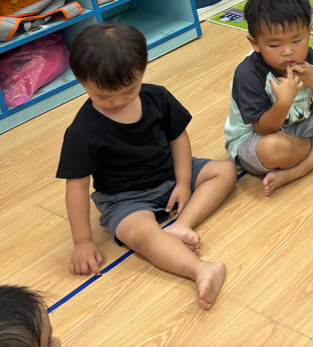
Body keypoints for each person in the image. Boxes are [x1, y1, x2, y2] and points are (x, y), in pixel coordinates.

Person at [57, 24, 236, 309]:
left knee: (225, 170)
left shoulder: (157, 97)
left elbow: (178, 138)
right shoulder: (82, 131)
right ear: (81, 82)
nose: (117, 102)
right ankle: (200, 269)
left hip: (170, 173)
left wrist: (182, 182)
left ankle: (181, 225)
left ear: (143, 69)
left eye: (129, 91)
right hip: (125, 199)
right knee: (141, 233)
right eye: (102, 96)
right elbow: (76, 189)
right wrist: (82, 242)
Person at [224, 0, 313, 197]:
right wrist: (283, 101)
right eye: (274, 45)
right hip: (256, 139)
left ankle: (300, 169)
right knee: (273, 148)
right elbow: (264, 129)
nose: (288, 51)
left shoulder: (307, 56)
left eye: (297, 40)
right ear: (255, 43)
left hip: (298, 126)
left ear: (309, 31)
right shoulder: (248, 73)